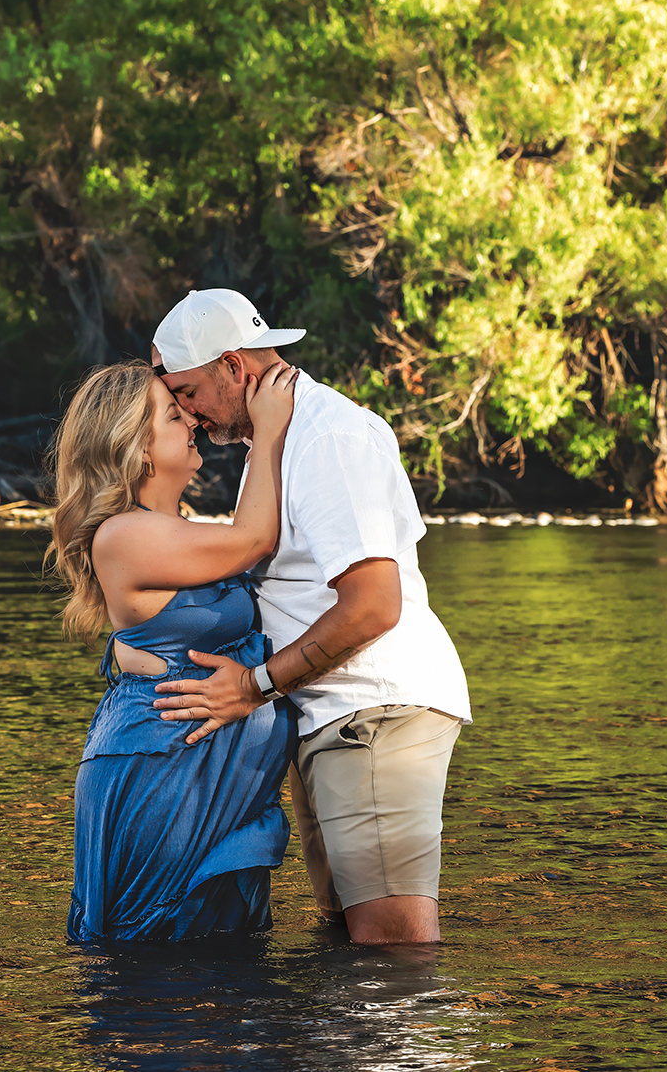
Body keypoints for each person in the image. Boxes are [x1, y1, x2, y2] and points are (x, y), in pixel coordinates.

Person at [148, 289, 472, 945]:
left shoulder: (328, 436)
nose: (189, 415)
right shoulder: (280, 439)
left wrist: (254, 685)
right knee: (349, 938)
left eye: (189, 393)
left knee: (392, 947)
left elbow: (374, 603)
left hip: (371, 711)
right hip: (331, 711)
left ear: (233, 366)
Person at [48, 356, 301, 942]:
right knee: (159, 960)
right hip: (163, 763)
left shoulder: (179, 530)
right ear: (139, 448)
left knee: (219, 963)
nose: (191, 418)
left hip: (205, 769)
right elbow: (255, 538)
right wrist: (267, 431)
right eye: (171, 413)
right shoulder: (122, 535)